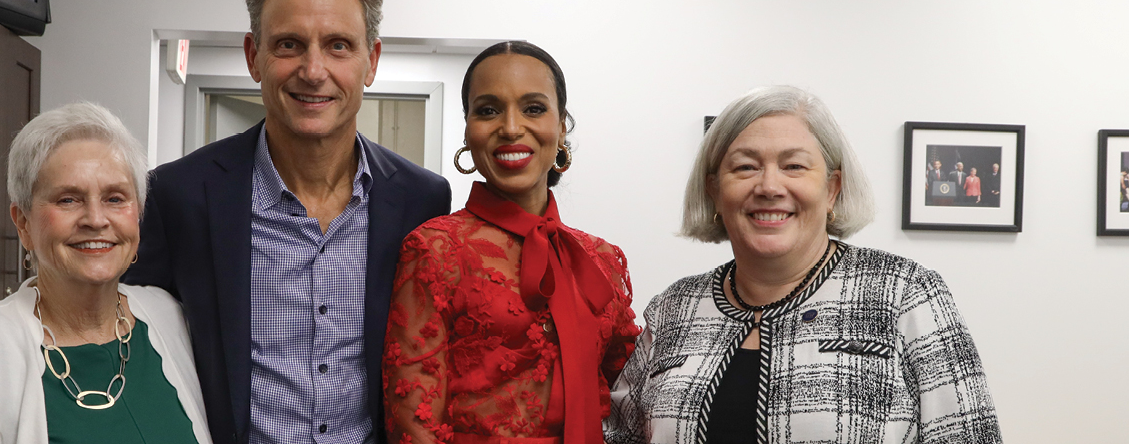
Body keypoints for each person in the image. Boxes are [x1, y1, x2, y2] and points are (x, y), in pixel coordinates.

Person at [121, 0, 452, 444]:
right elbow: (127, 345)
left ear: (371, 61)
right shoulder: (179, 196)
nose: (314, 70)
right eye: (289, 45)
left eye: (339, 45)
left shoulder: (421, 202)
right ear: (254, 57)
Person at [605, 86, 1001, 444]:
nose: (769, 186)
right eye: (745, 166)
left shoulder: (905, 293)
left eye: (794, 166)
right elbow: (618, 436)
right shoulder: (674, 308)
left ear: (831, 189)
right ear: (714, 191)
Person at [383, 41, 640, 444]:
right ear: (467, 130)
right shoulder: (434, 249)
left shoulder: (603, 259)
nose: (511, 127)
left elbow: (636, 394)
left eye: (533, 108)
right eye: (488, 110)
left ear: (561, 127)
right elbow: (413, 422)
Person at [0, 103, 211, 444]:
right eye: (68, 200)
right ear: (23, 223)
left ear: (137, 217)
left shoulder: (170, 317)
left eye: (115, 198)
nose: (96, 219)